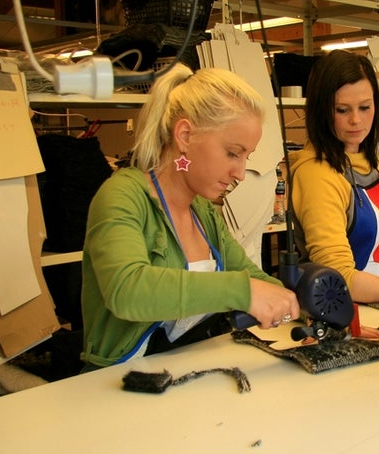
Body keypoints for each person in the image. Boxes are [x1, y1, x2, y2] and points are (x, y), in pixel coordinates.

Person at [80, 65, 299, 369]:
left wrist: (309, 301)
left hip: (187, 377)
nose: (240, 173)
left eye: (246, 157)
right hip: (118, 384)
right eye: (233, 153)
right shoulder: (122, 196)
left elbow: (251, 277)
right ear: (184, 136)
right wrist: (241, 292)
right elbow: (127, 290)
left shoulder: (203, 212)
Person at [289, 50, 379, 305]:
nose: (356, 120)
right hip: (344, 312)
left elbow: (360, 234)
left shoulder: (369, 159)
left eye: (365, 107)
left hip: (377, 304)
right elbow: (339, 276)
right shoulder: (317, 175)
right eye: (342, 110)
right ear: (322, 110)